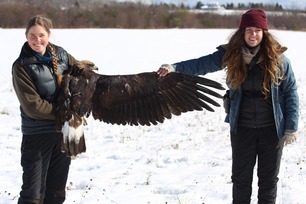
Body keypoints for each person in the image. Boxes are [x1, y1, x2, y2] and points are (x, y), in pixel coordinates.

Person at [157, 9, 299, 204]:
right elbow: (202, 64)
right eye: (249, 30)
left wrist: (291, 127)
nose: (253, 34)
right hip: (242, 128)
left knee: (268, 182)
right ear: (242, 32)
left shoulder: (279, 60)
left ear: (264, 33)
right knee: (241, 180)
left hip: (272, 130)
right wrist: (175, 68)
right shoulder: (231, 54)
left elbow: (291, 93)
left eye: (257, 30)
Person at [12, 15, 79, 204]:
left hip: (62, 133)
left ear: (49, 35)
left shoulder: (62, 55)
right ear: (26, 36)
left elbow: (82, 76)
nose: (37, 40)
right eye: (32, 35)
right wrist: (65, 112)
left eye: (41, 35)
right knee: (32, 195)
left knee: (56, 193)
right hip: (37, 135)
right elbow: (33, 106)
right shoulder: (21, 66)